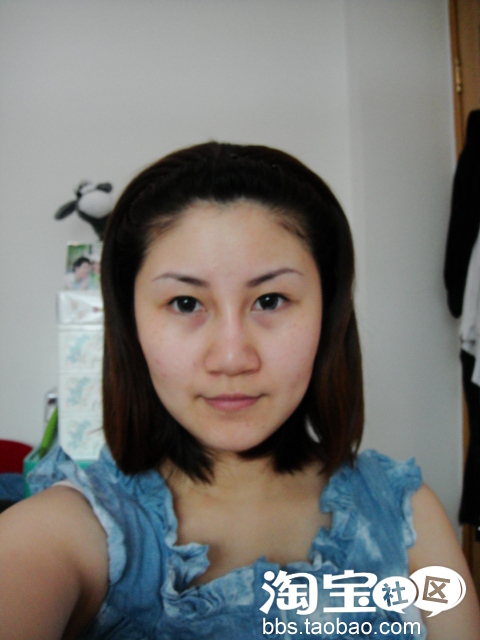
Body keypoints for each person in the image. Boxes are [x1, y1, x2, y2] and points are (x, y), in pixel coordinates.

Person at [1, 142, 479, 640]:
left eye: (270, 300)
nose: (232, 358)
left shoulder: (406, 515)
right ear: (132, 323)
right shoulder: (69, 530)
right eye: (185, 303)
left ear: (328, 313)